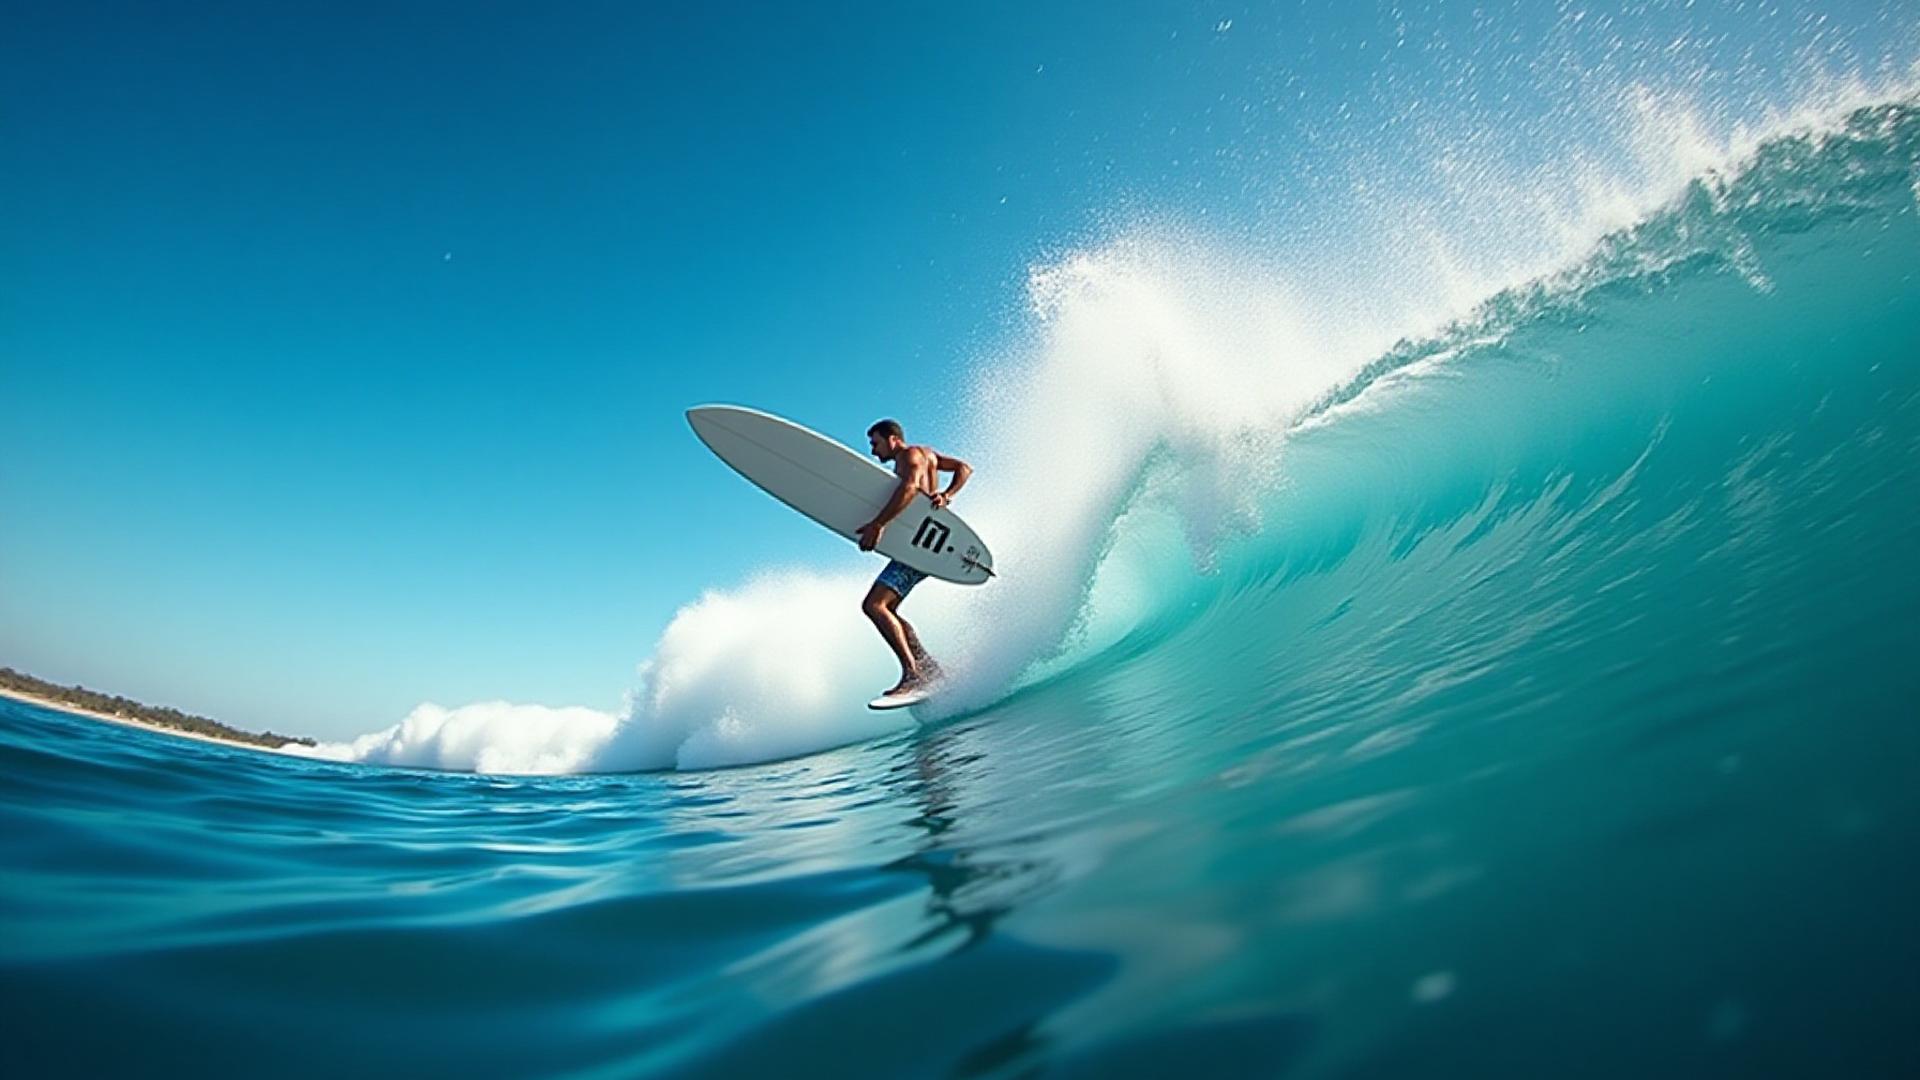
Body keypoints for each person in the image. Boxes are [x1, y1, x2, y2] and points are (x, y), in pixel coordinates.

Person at [857, 418, 972, 698]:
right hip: (927, 542)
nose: (874, 451)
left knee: (874, 606)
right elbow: (964, 468)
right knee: (887, 610)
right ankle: (928, 669)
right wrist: (947, 494)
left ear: (892, 439)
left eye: (876, 443)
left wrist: (878, 524)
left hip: (917, 546)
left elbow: (908, 489)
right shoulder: (927, 454)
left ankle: (913, 674)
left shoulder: (907, 456)